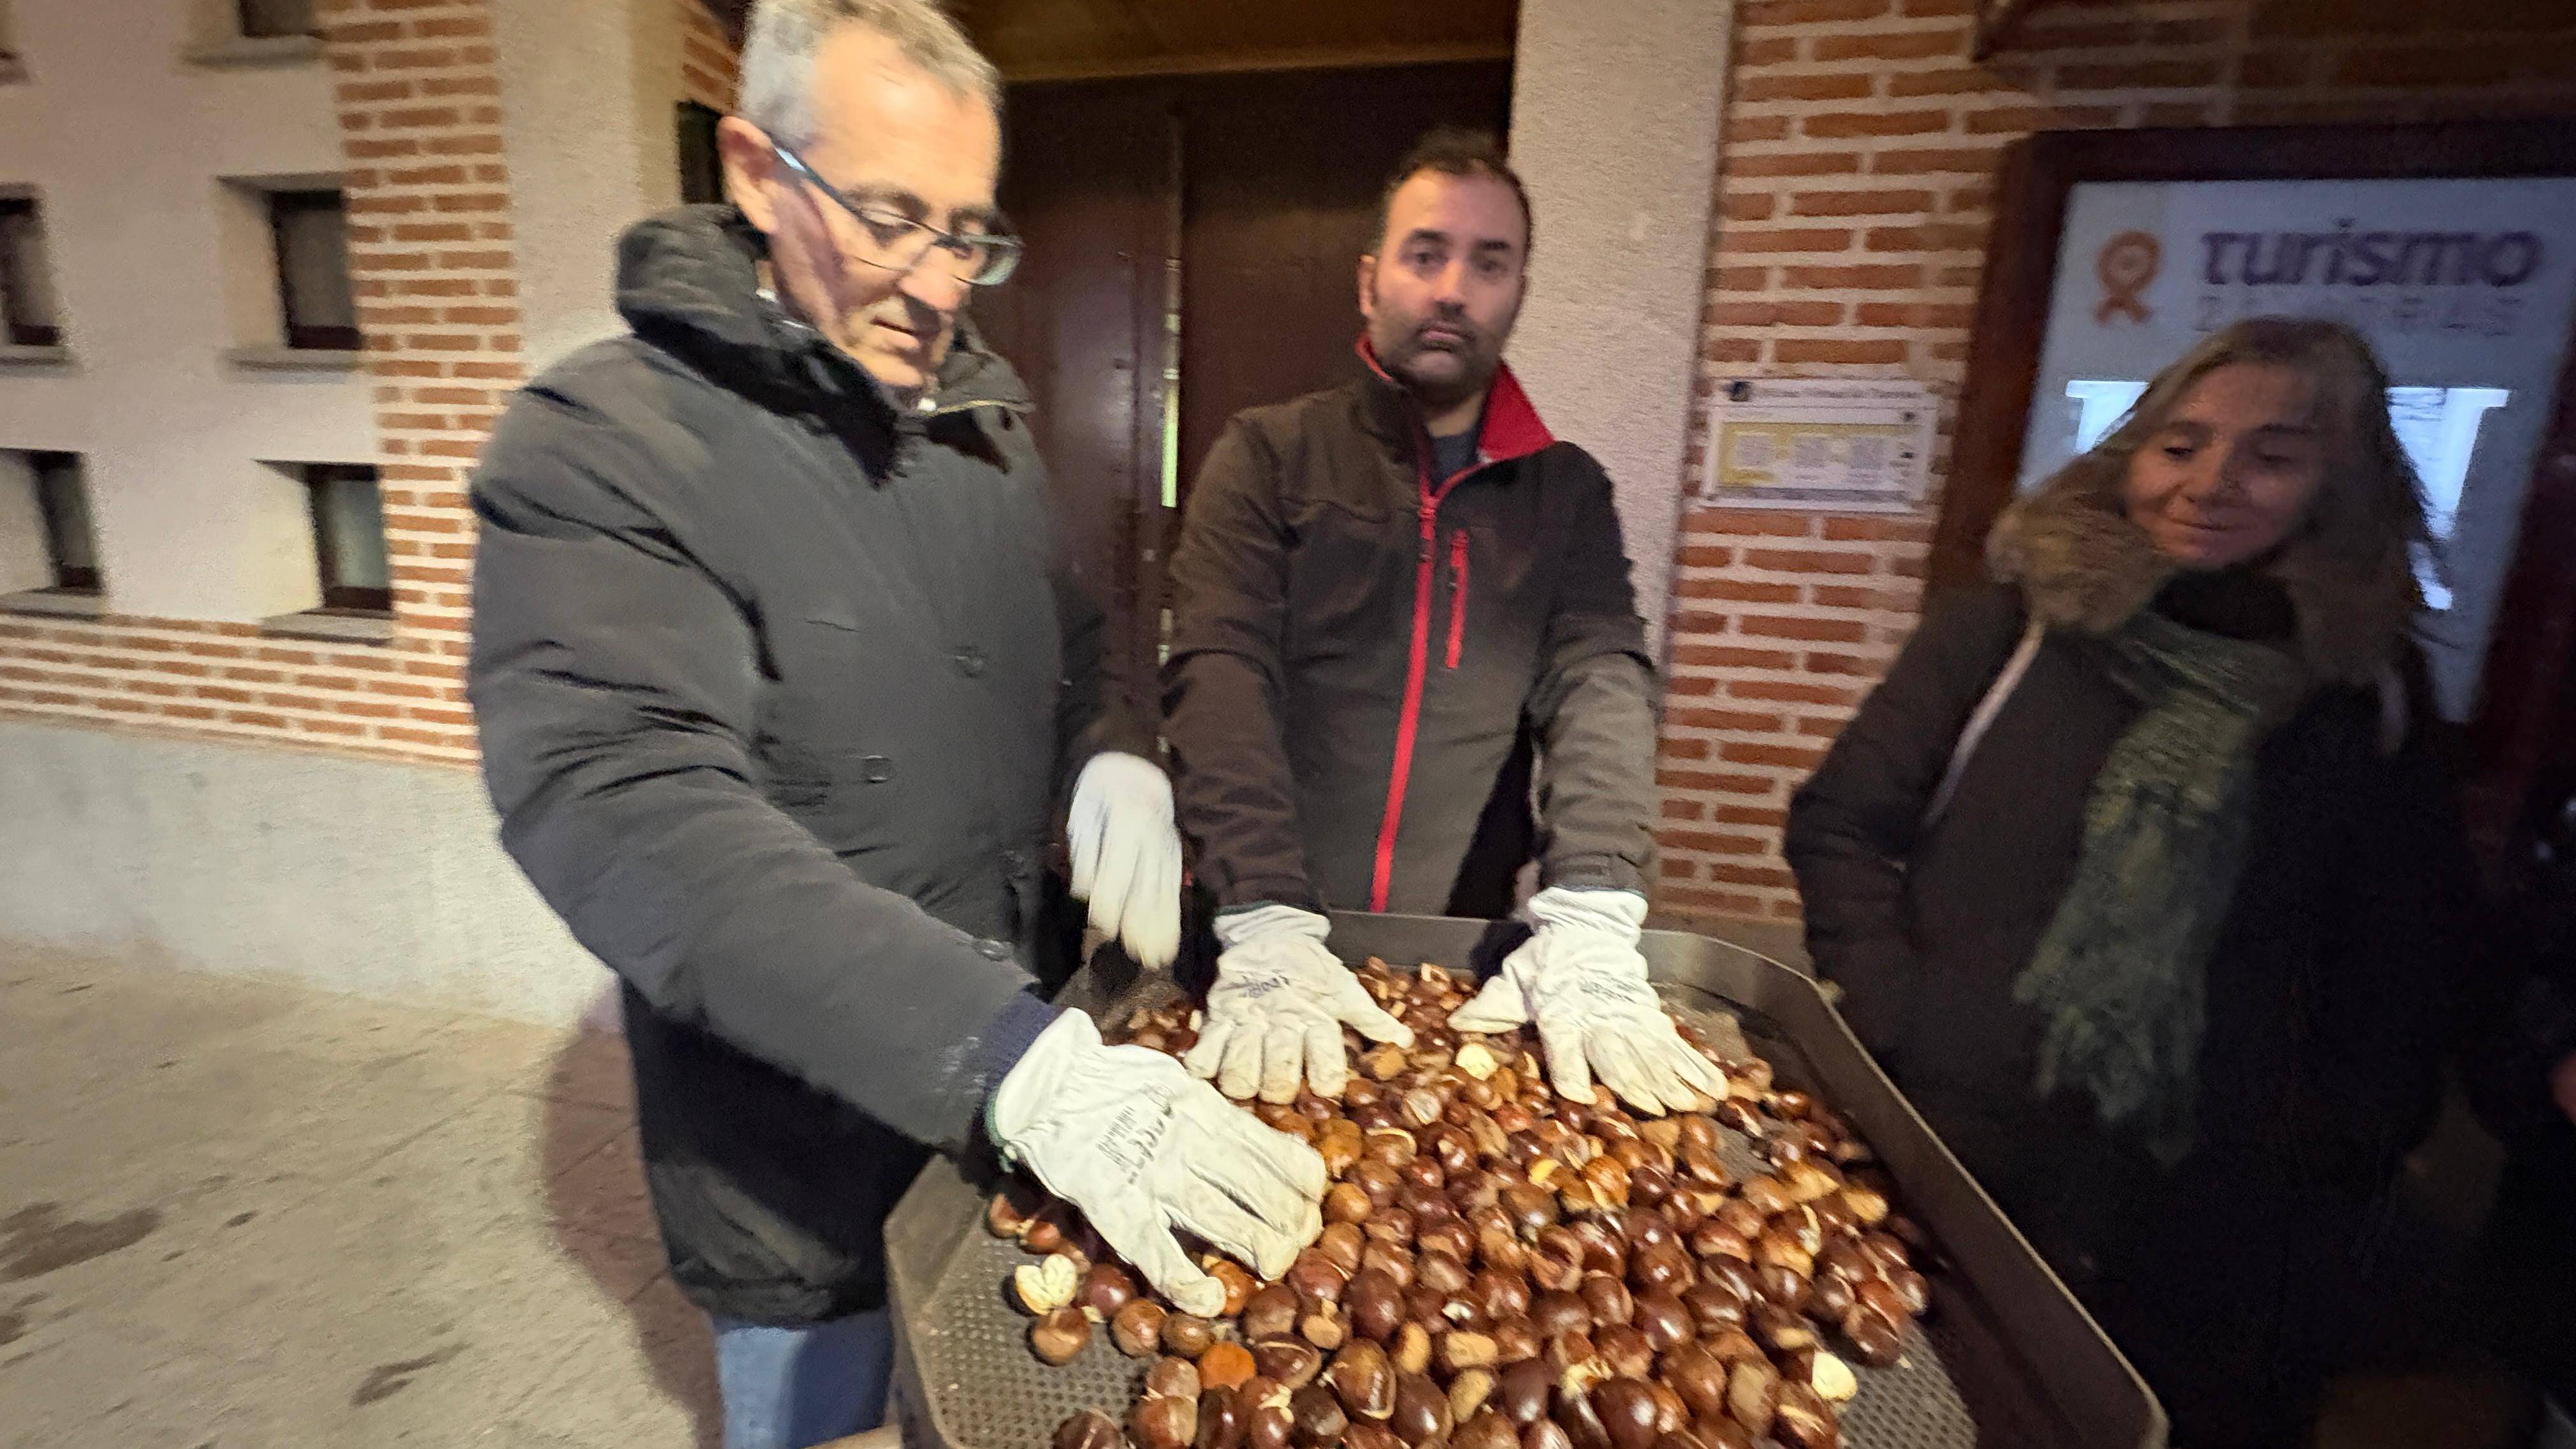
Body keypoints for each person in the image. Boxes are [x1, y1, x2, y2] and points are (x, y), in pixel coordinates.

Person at [466, 4, 1320, 1445]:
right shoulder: (602, 446)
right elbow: (625, 807)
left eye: (971, 232)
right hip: (802, 1171)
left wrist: (1115, 746)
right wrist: (999, 1058)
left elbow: (1076, 633)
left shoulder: (978, 422)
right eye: (890, 218)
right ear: (752, 169)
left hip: (1019, 1121)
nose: (936, 283)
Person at [1784, 316, 2474, 1448]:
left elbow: (2404, 952)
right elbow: (1846, 821)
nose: (2210, 483)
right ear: (2131, 452)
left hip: (2215, 1198)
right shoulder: (2012, 627)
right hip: (1962, 1140)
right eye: (2181, 443)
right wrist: (1898, 1015)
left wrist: (2337, 1139)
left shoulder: (2362, 692)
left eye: (2273, 454)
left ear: (2337, 482)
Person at [1161, 129, 1719, 1117]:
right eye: (1427, 255)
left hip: (1455, 961)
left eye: (1488, 262)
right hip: (1256, 943)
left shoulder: (1569, 493)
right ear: (1372, 280)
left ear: (1519, 290)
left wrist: (1594, 897)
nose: (1454, 288)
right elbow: (1220, 670)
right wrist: (1260, 908)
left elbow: (1603, 678)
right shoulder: (1267, 455)